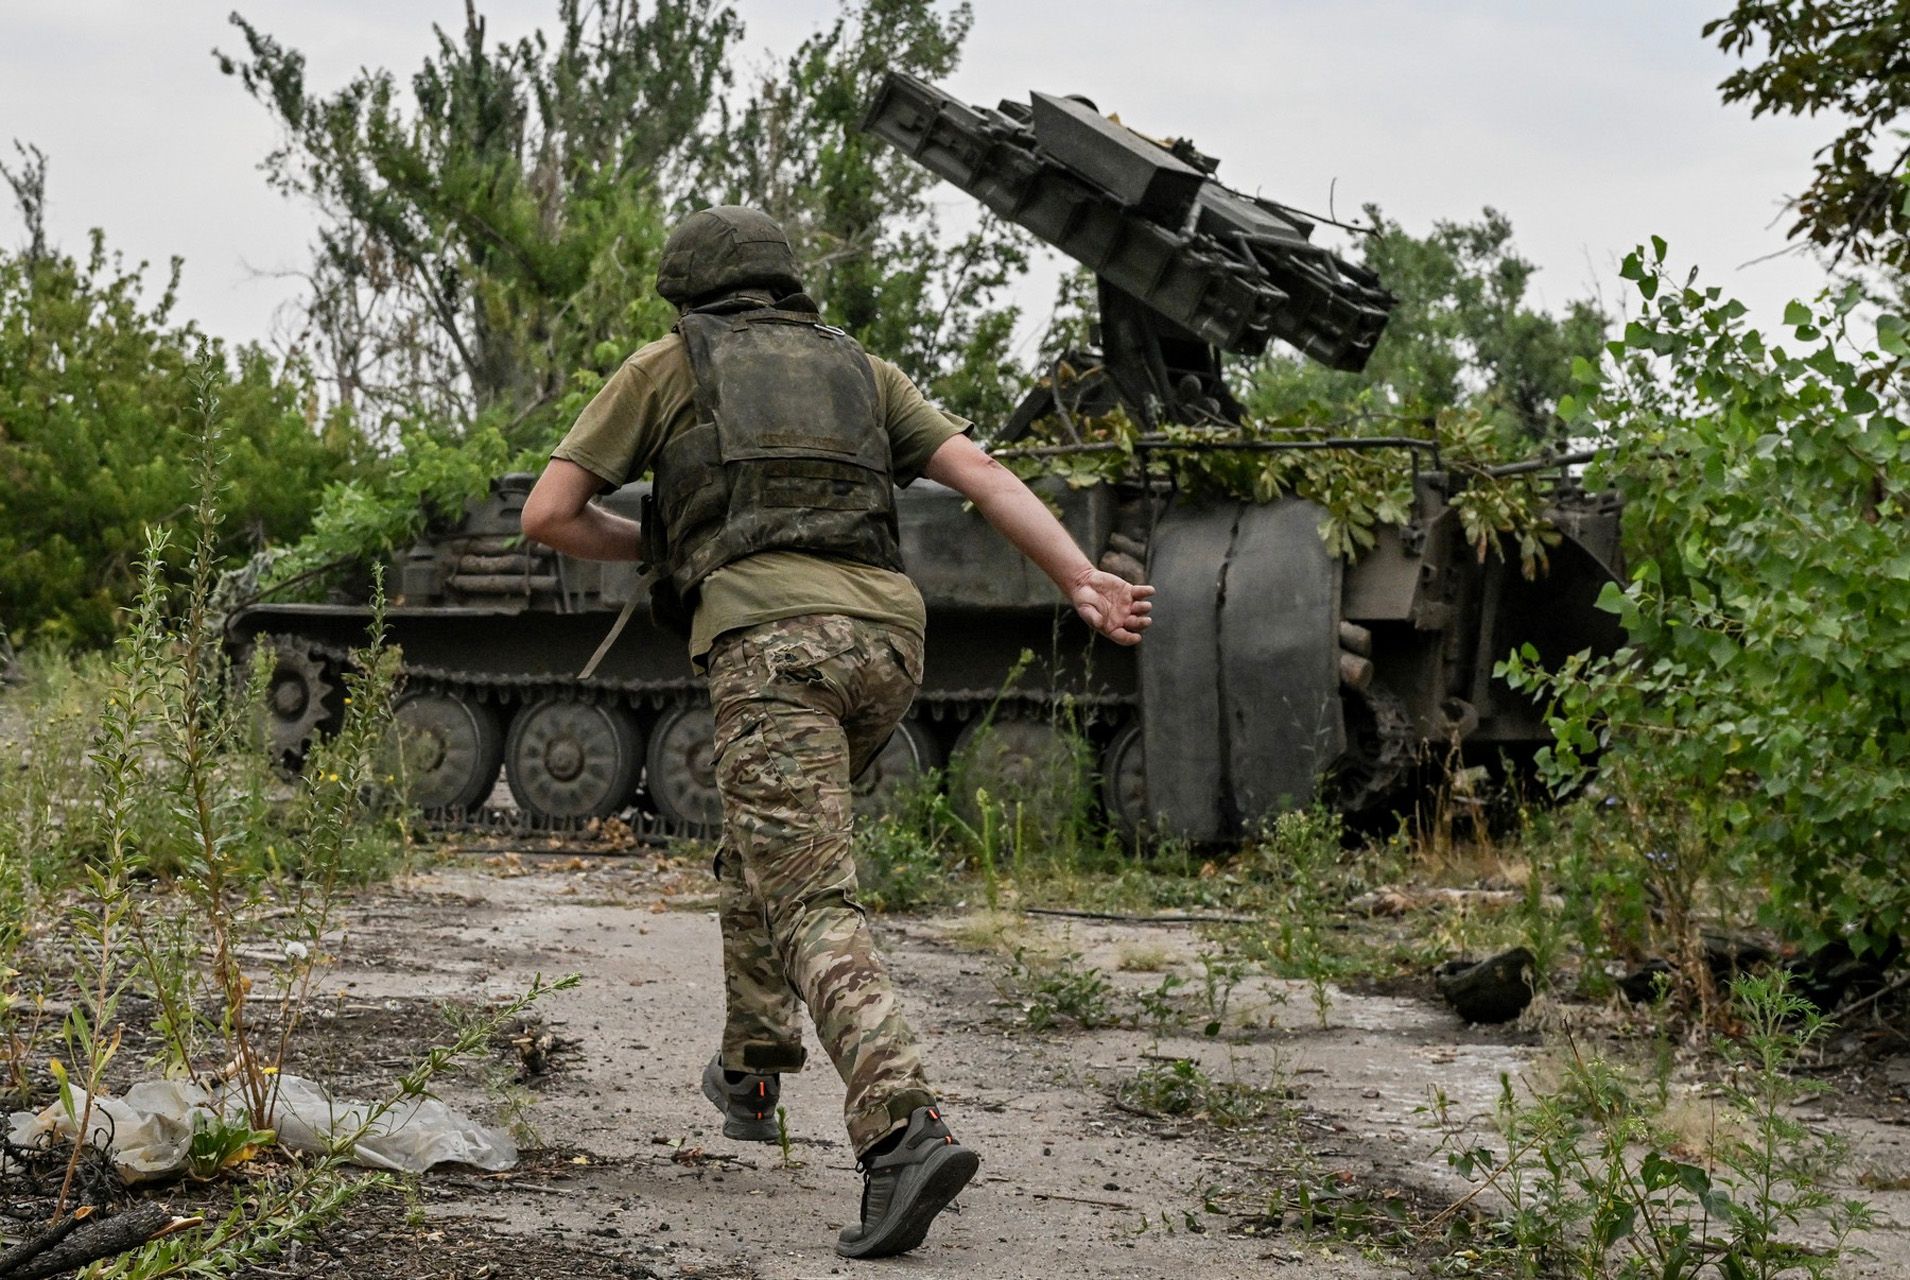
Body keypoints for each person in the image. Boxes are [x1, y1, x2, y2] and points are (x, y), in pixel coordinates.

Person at [521, 206, 1153, 1259]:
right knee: (765, 846)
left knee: (807, 890)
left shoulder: (666, 366)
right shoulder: (865, 369)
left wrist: (670, 546)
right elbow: (986, 476)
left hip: (774, 647)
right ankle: (754, 1061)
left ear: (686, 290)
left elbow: (547, 513)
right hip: (889, 647)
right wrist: (1080, 576)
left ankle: (902, 1129)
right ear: (785, 282)